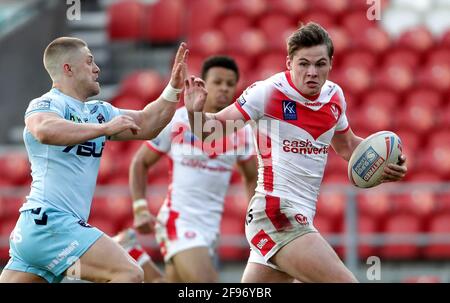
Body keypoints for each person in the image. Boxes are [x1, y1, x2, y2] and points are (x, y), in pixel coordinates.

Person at [183, 22, 408, 283]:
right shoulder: (267, 93)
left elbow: (347, 146)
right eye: (303, 64)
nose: (312, 72)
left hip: (297, 219)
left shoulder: (335, 97)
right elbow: (210, 131)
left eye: (320, 64)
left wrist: (386, 163)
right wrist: (194, 112)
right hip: (275, 213)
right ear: (289, 62)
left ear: (331, 64)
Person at [0, 37, 192, 283]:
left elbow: (147, 123)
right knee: (129, 273)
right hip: (52, 223)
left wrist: (173, 89)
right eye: (89, 61)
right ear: (67, 68)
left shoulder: (98, 111)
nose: (97, 68)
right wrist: (103, 129)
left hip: (40, 233)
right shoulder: (47, 103)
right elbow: (44, 131)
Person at [118, 56, 257, 282]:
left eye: (230, 84)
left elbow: (252, 177)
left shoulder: (240, 130)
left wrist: (254, 220)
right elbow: (140, 163)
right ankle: (132, 252)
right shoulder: (177, 120)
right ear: (204, 84)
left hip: (210, 226)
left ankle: (133, 252)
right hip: (179, 219)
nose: (224, 88)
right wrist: (140, 208)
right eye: (217, 82)